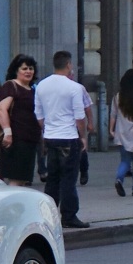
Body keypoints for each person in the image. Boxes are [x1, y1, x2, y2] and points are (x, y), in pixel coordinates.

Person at [35, 51, 89, 228]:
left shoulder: (41, 86)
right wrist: (83, 137)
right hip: (68, 137)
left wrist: (47, 128)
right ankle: (68, 215)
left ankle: (48, 215)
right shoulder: (73, 87)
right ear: (68, 65)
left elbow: (39, 115)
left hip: (50, 136)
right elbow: (79, 117)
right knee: (68, 179)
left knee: (53, 178)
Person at [0, 55, 41, 184]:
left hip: (30, 139)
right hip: (16, 140)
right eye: (24, 68)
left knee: (22, 179)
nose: (28, 71)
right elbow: (2, 108)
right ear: (16, 70)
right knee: (15, 180)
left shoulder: (32, 89)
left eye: (31, 68)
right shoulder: (11, 86)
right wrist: (8, 132)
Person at [109, 69, 133, 197]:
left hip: (122, 132)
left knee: (125, 161)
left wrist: (111, 129)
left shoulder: (117, 97)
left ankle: (119, 179)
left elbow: (113, 115)